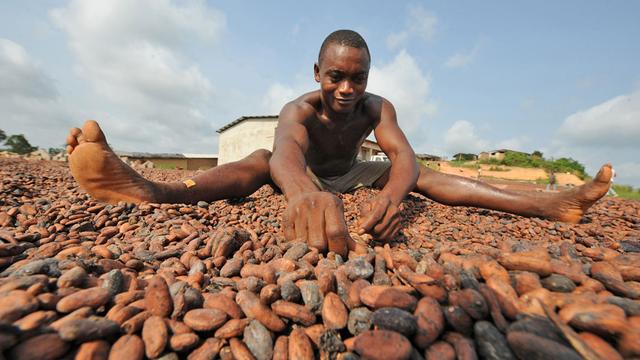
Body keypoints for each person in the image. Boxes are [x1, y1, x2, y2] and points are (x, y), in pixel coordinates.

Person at [65, 29, 613, 257]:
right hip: (301, 172)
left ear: (369, 77)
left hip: (350, 173)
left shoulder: (378, 108)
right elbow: (285, 153)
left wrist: (393, 200)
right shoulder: (297, 109)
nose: (347, 89)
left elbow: (404, 157)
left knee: (427, 178)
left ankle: (551, 204)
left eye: (358, 78)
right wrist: (302, 192)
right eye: (336, 78)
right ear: (318, 73)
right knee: (257, 161)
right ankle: (153, 190)